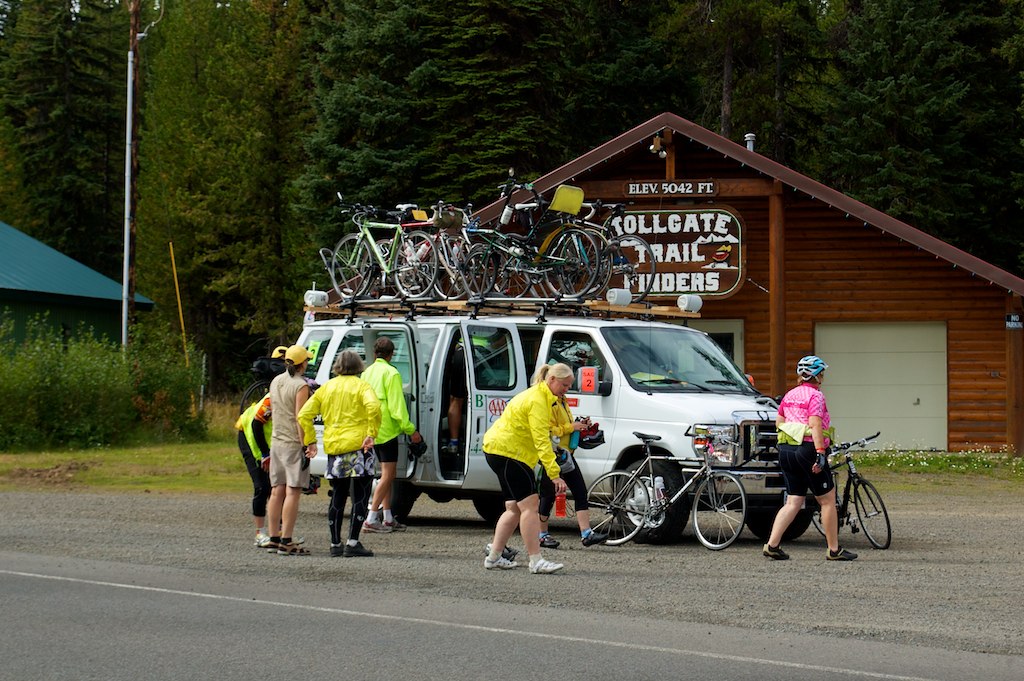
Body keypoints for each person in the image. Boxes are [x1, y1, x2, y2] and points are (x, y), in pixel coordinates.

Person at [481, 362, 574, 574]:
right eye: (564, 385)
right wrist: (555, 474)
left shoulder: (541, 396)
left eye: (569, 386)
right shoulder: (538, 400)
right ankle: (536, 561)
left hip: (499, 450)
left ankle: (494, 557)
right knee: (530, 505)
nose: (566, 389)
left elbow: (547, 432)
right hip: (510, 453)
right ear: (551, 380)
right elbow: (541, 439)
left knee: (514, 508)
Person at [764, 355, 857, 561]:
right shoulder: (816, 396)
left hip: (787, 450)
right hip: (807, 449)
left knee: (793, 500)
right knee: (827, 501)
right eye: (822, 373)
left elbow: (779, 422)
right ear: (818, 376)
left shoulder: (789, 395)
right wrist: (820, 453)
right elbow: (815, 424)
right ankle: (834, 550)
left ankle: (772, 545)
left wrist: (796, 429)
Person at [299, 349, 382, 558]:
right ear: (358, 367)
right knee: (360, 495)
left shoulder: (326, 388)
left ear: (337, 367)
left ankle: (335, 543)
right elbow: (373, 406)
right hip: (359, 447)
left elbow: (304, 415)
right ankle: (352, 542)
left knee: (337, 495)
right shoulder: (362, 386)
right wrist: (371, 433)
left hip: (336, 448)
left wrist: (310, 441)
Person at [360, 337, 423, 533]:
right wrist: (410, 430)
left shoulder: (367, 372)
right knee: (388, 474)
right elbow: (397, 407)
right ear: (391, 354)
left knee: (385, 475)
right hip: (386, 430)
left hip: (371, 429)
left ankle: (387, 517)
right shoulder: (391, 373)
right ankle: (371, 517)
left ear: (374, 353)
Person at [536, 390, 608, 549]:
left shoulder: (562, 399)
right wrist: (571, 427)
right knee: (548, 496)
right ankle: (542, 535)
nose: (567, 388)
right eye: (565, 385)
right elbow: (548, 430)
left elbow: (566, 425)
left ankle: (586, 534)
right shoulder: (546, 402)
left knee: (580, 491)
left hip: (566, 454)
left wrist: (580, 424)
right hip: (553, 453)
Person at [260, 344, 313, 556]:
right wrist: (306, 444)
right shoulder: (301, 386)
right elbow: (301, 417)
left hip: (276, 440)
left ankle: (273, 536)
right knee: (293, 490)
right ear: (302, 364)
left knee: (276, 489)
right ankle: (287, 539)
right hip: (292, 442)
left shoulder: (276, 381)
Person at [235, 389, 272, 546]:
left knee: (277, 488)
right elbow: (256, 425)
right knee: (262, 486)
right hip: (249, 437)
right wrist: (265, 454)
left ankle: (280, 533)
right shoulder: (272, 400)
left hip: (265, 440)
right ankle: (260, 533)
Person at [444, 339, 466, 455]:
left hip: (461, 348)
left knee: (455, 399)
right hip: (485, 351)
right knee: (458, 399)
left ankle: (454, 443)